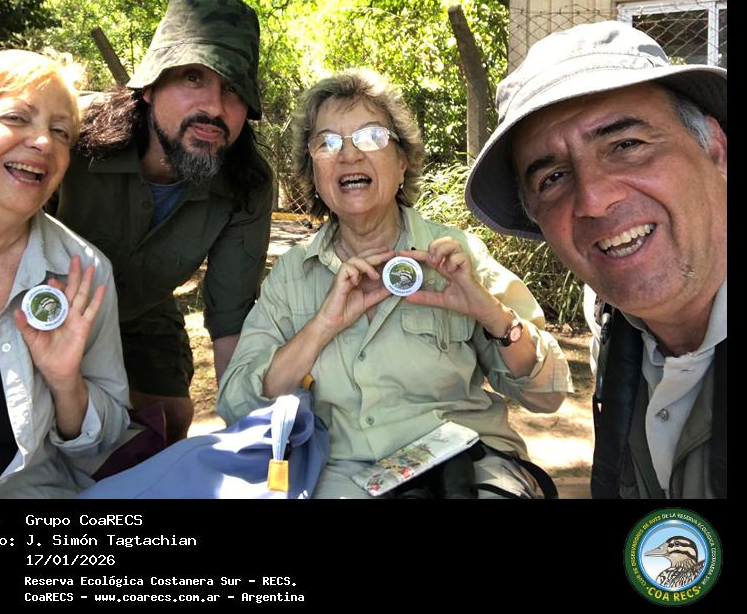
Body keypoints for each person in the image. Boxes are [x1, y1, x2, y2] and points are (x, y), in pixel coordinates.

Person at [217, 70, 571, 498]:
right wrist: (322, 326)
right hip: (340, 475)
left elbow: (547, 394)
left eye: (370, 137)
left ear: (402, 160)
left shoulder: (457, 256)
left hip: (464, 464)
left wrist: (490, 313)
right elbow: (236, 405)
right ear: (313, 173)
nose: (349, 155)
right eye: (327, 143)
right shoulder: (293, 274)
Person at [465, 20, 727, 499]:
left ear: (715, 148)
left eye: (626, 145)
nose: (593, 199)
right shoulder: (612, 322)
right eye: (553, 178)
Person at [48, 0, 273, 444]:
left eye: (233, 88)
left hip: (142, 310)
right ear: (149, 87)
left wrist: (249, 438)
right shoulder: (68, 133)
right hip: (43, 308)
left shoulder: (248, 184)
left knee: (167, 421)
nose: (214, 106)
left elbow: (230, 322)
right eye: (192, 77)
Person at [0, 50, 130, 499]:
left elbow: (103, 440)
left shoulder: (83, 272)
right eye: (17, 117)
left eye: (60, 132)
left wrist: (66, 384)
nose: (43, 142)